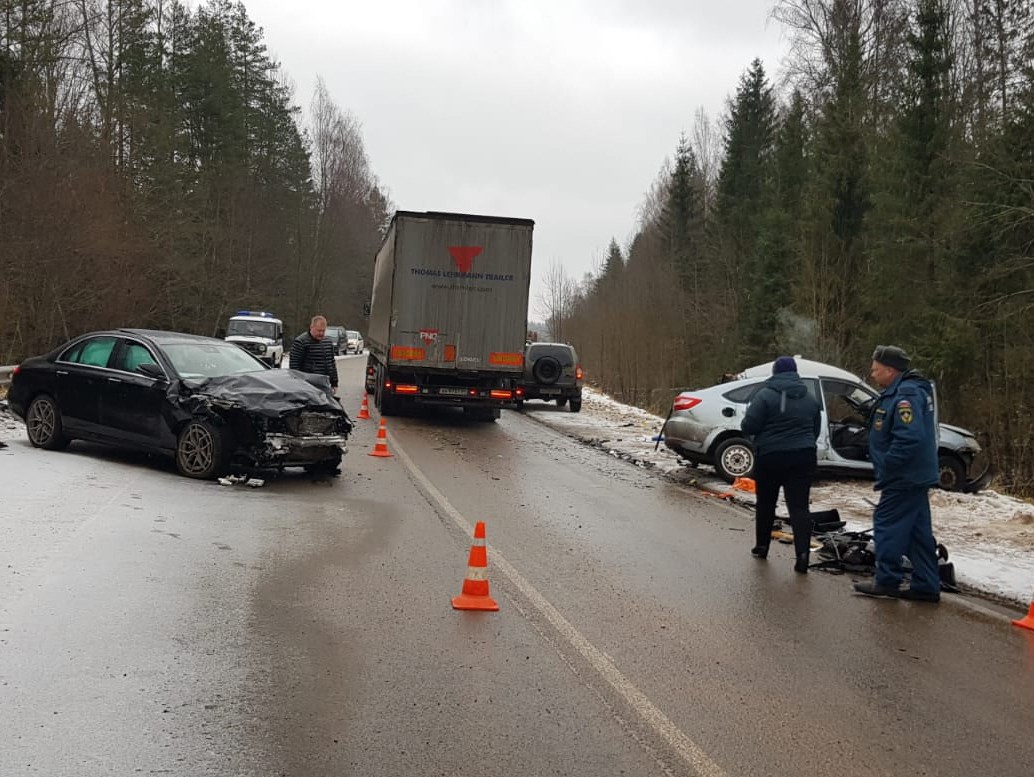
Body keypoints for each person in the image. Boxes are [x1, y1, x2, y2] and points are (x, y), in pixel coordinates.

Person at [853, 345, 941, 602]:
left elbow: (909, 438)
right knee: (917, 532)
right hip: (913, 476)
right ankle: (926, 584)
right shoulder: (901, 391)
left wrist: (889, 464)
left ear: (890, 370)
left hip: (904, 476)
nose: (872, 375)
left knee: (887, 524)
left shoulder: (906, 395)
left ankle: (887, 579)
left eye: (876, 370)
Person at [741, 356, 822, 573]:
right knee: (799, 507)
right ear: (795, 373)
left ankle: (762, 546)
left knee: (766, 502)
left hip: (771, 456)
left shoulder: (765, 396)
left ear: (775, 372)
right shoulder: (811, 399)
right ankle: (803, 556)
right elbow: (815, 430)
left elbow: (749, 426)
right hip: (803, 456)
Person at [290, 315, 339, 396]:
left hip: (325, 385)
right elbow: (294, 367)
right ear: (311, 327)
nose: (321, 333)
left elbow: (332, 364)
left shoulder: (328, 342)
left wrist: (334, 383)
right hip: (308, 386)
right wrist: (298, 386)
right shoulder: (300, 342)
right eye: (319, 331)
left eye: (323, 331)